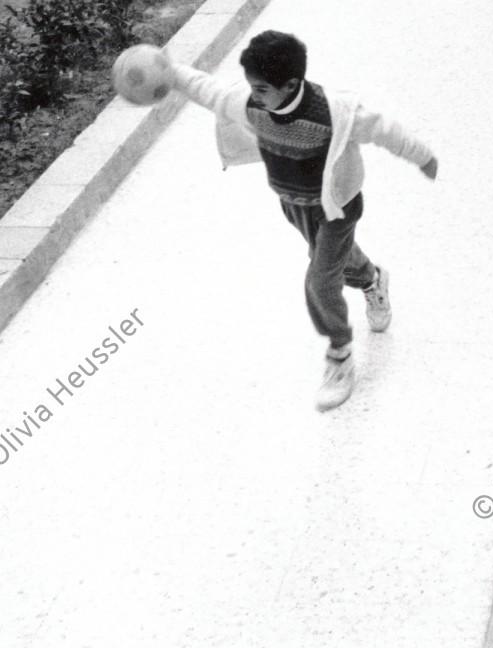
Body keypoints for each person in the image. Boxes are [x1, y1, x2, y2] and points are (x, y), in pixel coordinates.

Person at [167, 30, 438, 411]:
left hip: (337, 208)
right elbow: (204, 88)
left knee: (320, 280)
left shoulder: (335, 113)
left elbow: (384, 130)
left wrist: (423, 156)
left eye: (261, 89)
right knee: (337, 261)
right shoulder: (249, 104)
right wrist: (169, 70)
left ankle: (339, 354)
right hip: (294, 205)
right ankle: (373, 279)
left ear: (291, 84)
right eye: (251, 87)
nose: (253, 96)